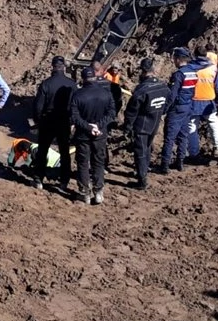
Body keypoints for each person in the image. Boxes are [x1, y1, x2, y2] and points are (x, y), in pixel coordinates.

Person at [69, 66, 116, 204]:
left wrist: (88, 127)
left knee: (83, 163)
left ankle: (85, 193)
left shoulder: (78, 95)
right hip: (100, 134)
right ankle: (99, 191)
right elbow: (112, 113)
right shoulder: (106, 93)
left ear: (83, 79)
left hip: (83, 135)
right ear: (95, 77)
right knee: (98, 161)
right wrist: (99, 125)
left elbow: (75, 117)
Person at [121, 57, 168, 189]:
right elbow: (169, 101)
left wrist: (128, 126)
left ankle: (142, 181)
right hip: (154, 124)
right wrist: (161, 111)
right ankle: (144, 172)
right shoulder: (162, 87)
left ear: (143, 71)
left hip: (141, 126)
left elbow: (131, 111)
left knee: (140, 151)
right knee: (147, 148)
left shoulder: (141, 90)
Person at [30, 55, 76, 190]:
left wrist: (38, 121)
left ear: (53, 66)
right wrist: (72, 121)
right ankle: (64, 180)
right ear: (64, 67)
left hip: (48, 121)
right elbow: (75, 105)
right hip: (64, 121)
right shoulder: (72, 84)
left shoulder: (46, 83)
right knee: (64, 152)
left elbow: (38, 106)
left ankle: (38, 179)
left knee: (43, 150)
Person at [159, 47, 199, 174]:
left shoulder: (179, 74)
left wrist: (164, 110)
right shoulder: (193, 72)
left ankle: (164, 165)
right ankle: (180, 162)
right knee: (183, 136)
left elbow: (172, 95)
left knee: (170, 137)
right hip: (188, 107)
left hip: (177, 108)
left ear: (178, 59)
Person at [187, 45, 218, 159]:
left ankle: (193, 152)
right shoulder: (213, 68)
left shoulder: (190, 68)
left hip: (193, 101)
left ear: (195, 55)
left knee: (192, 127)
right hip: (208, 101)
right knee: (214, 124)